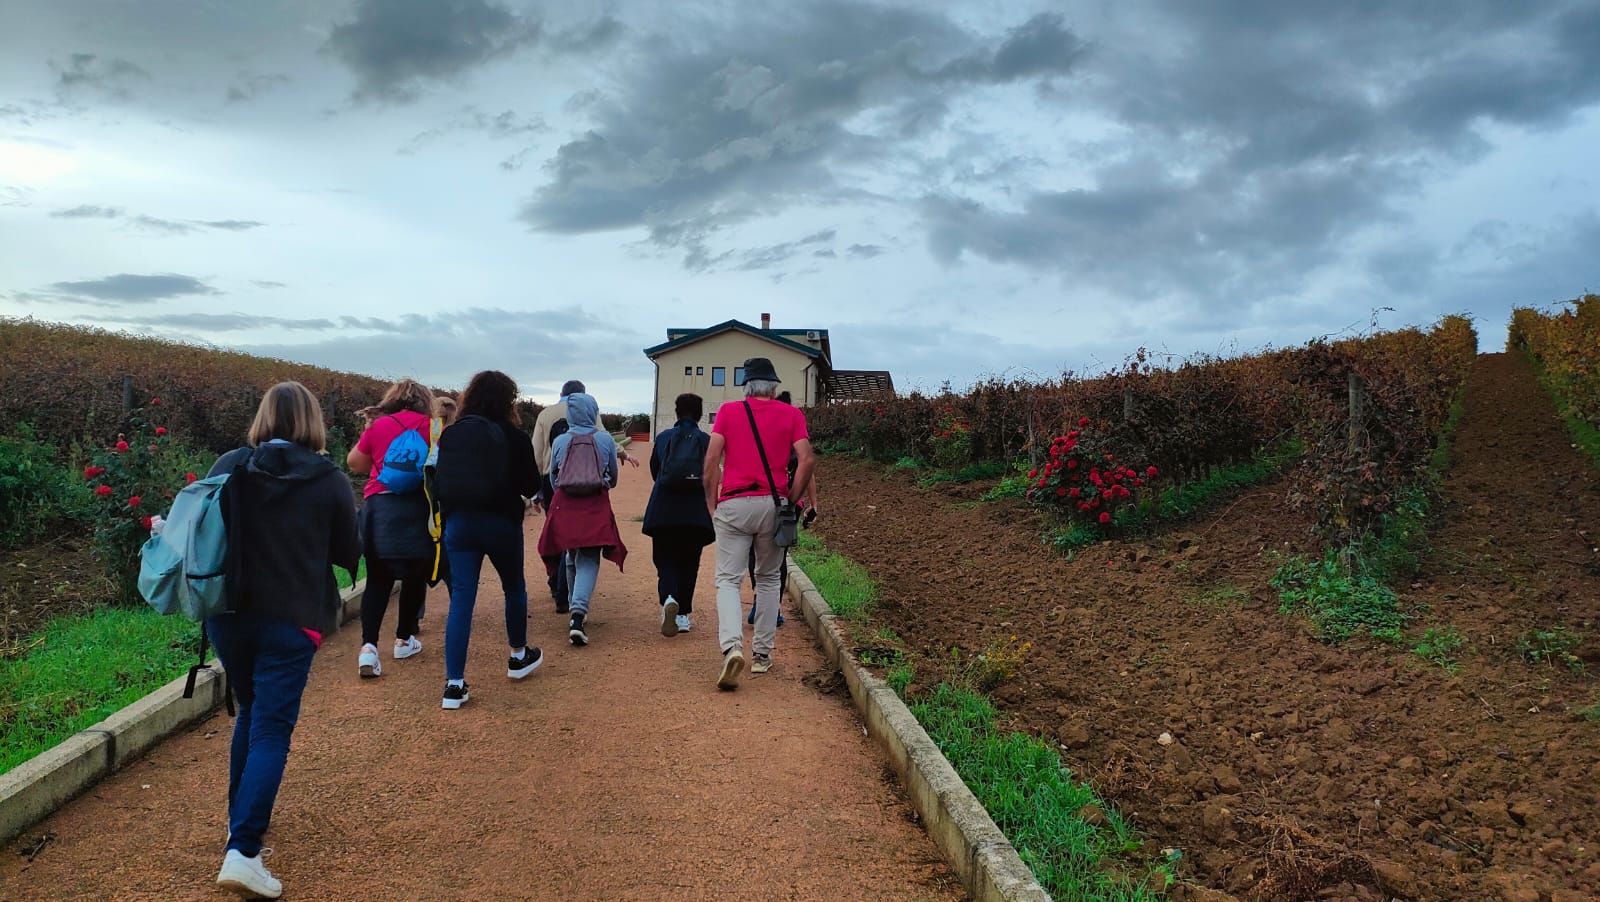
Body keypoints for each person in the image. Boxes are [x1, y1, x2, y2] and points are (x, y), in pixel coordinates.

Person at [206, 382, 360, 898]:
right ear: (311, 421)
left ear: (265, 417)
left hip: (227, 615)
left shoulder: (230, 464)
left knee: (250, 710)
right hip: (292, 617)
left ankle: (239, 825)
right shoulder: (329, 478)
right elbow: (347, 551)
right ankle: (244, 850)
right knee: (272, 727)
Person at [432, 370, 543, 710]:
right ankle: (517, 655)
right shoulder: (514, 435)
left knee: (462, 600)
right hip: (501, 523)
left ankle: (454, 684)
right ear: (507, 400)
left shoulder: (452, 434)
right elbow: (528, 486)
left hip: (460, 524)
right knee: (513, 588)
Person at [703, 358, 814, 690]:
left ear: (746, 387)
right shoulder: (792, 414)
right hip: (773, 503)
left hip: (734, 503)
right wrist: (791, 498)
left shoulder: (728, 412)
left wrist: (711, 500)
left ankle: (732, 646)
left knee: (727, 579)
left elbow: (711, 459)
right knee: (768, 579)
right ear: (774, 387)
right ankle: (762, 656)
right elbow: (807, 459)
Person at [346, 379, 436, 678]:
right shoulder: (433, 428)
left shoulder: (380, 426)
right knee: (416, 574)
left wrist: (370, 430)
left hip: (379, 506)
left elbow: (356, 464)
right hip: (416, 507)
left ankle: (368, 649)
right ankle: (403, 639)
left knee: (377, 579)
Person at [538, 392, 628, 646]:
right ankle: (578, 614)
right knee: (589, 557)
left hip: (565, 504)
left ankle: (573, 607)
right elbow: (613, 475)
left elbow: (554, 479)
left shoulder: (560, 441)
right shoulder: (603, 439)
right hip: (595, 504)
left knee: (571, 553)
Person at [643, 393, 714, 637]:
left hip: (663, 509)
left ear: (676, 412)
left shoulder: (663, 438)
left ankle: (669, 597)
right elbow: (712, 475)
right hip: (695, 513)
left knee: (664, 559)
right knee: (690, 562)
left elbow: (655, 471)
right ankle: (682, 615)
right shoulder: (706, 440)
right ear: (699, 413)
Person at [746, 391, 818, 627]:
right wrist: (811, 503)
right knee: (779, 555)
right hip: (789, 504)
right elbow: (808, 470)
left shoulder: (768, 432)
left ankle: (759, 599)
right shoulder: (795, 433)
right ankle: (772, 608)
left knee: (754, 552)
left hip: (762, 498)